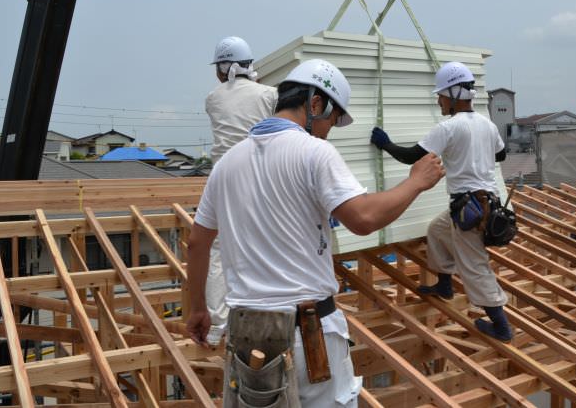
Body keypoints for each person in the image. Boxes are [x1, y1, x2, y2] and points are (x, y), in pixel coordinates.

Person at [187, 59, 445, 407]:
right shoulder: (314, 152)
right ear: (315, 103)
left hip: (245, 335)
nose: (329, 129)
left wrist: (198, 309)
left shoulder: (227, 164)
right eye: (333, 119)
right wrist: (416, 183)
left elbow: (197, 242)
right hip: (305, 334)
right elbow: (363, 218)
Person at [369, 61, 512, 342]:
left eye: (441, 95)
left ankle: (501, 327)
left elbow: (411, 157)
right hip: (485, 204)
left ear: (455, 94)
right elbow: (501, 156)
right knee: (437, 230)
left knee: (474, 266)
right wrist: (472, 155)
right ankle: (445, 284)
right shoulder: (486, 124)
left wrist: (384, 143)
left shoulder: (449, 128)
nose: (439, 101)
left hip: (470, 209)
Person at [203, 36, 278, 343]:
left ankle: (217, 328)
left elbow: (233, 105)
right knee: (263, 243)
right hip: (258, 179)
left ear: (222, 67)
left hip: (222, 179)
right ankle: (265, 316)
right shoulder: (270, 94)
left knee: (220, 252)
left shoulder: (213, 98)